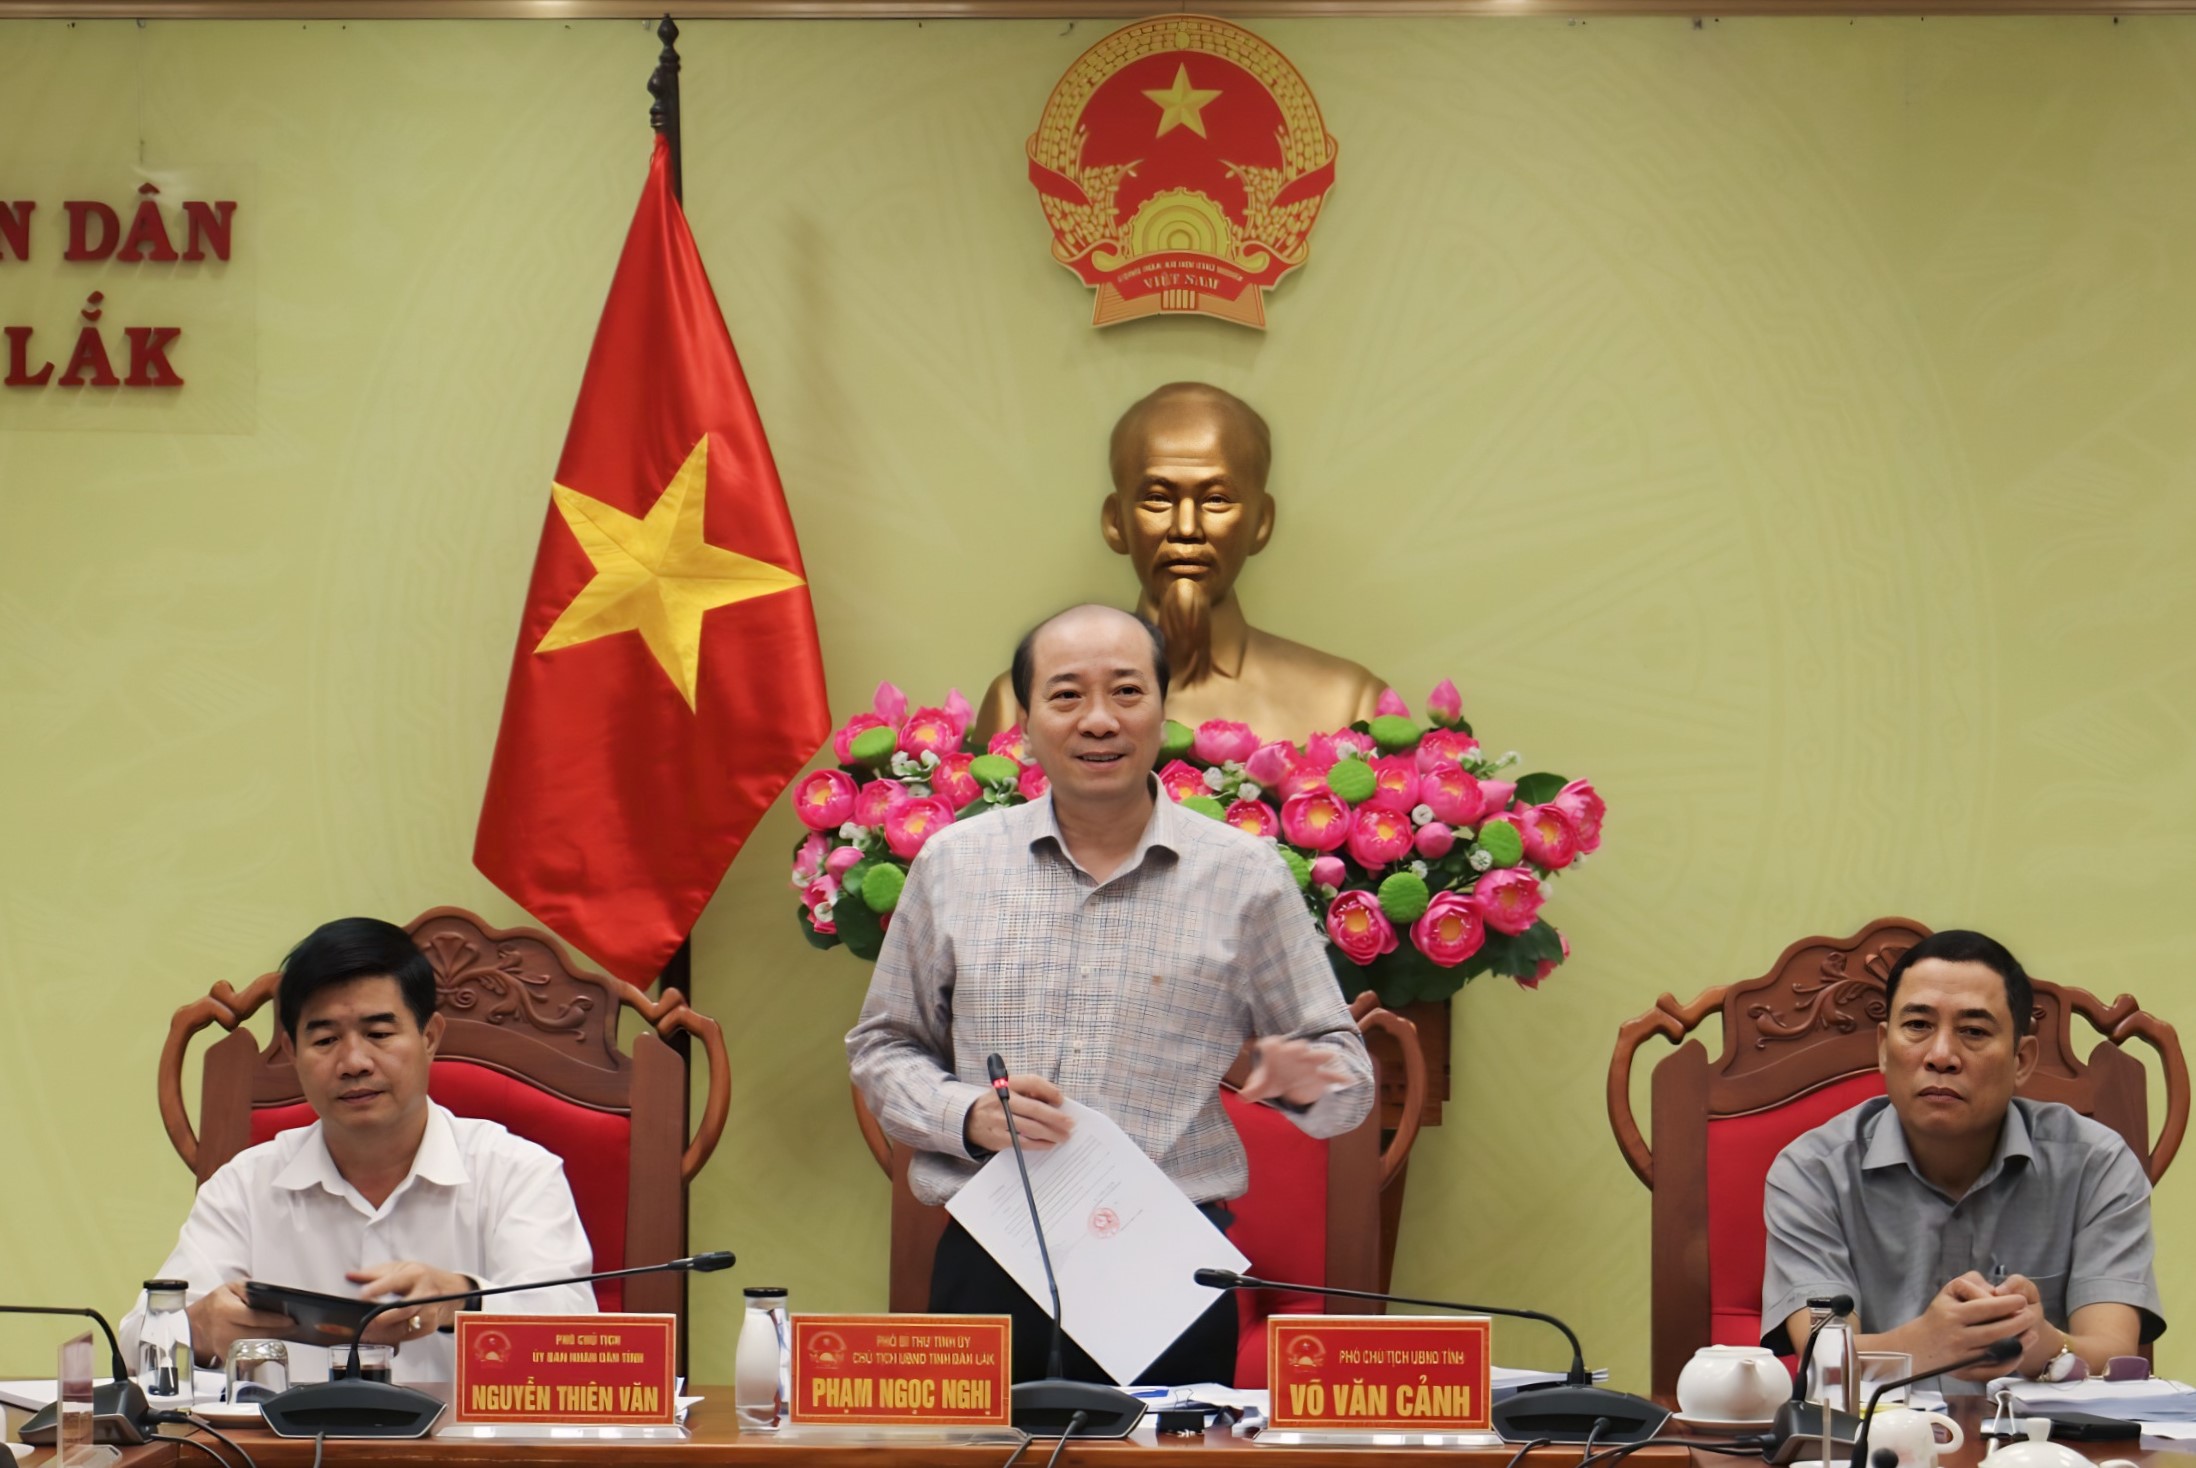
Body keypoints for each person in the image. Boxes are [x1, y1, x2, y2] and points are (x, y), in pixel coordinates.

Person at [850, 603, 1375, 1385]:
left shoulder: (1242, 877)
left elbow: (1348, 1085)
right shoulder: (953, 865)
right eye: (1066, 696)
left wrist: (1261, 1064)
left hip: (1165, 1269)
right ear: (1025, 724)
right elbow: (881, 1045)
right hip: (992, 1260)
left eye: (1126, 692)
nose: (1099, 720)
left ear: (1164, 712)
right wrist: (964, 1115)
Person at [121, 918, 595, 1384]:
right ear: (291, 1051)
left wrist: (461, 1299)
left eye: (379, 1034)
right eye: (325, 1040)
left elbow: (581, 1342)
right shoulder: (246, 1185)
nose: (354, 1063)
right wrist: (197, 1329)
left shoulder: (516, 1173)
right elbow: (136, 1342)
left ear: (429, 1038)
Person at [1761, 929, 2163, 1390]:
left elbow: (2116, 1355)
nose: (1941, 1055)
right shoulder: (1810, 1172)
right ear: (1882, 1048)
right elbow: (1822, 1353)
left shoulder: (2097, 1164)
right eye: (1917, 1026)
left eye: (1973, 1031)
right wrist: (1926, 1344)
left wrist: (2039, 1342)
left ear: (2022, 1060)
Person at [975, 383, 1385, 744]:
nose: (1186, 528)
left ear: (1262, 523)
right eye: (1158, 498)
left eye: (1216, 500)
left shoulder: (1350, 703)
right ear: (1116, 522)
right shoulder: (1019, 704)